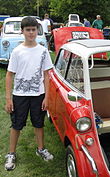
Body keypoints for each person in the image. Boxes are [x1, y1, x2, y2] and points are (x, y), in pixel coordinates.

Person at [4, 16, 54, 171]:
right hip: (20, 95)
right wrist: (8, 98)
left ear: (37, 31)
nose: (31, 33)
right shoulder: (17, 51)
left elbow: (46, 75)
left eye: (33, 30)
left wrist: (46, 96)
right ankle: (11, 153)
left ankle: (41, 149)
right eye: (28, 30)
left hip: (38, 95)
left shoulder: (43, 51)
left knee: (38, 123)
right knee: (17, 124)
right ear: (22, 31)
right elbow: (9, 75)